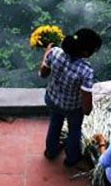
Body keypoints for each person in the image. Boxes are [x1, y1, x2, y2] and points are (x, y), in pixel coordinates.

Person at [40, 27, 102, 167]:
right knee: (74, 130)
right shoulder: (86, 71)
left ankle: (50, 152)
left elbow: (43, 74)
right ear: (86, 52)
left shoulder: (54, 53)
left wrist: (46, 52)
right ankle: (72, 158)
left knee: (55, 123)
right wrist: (87, 110)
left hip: (52, 99)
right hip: (72, 108)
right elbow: (86, 107)